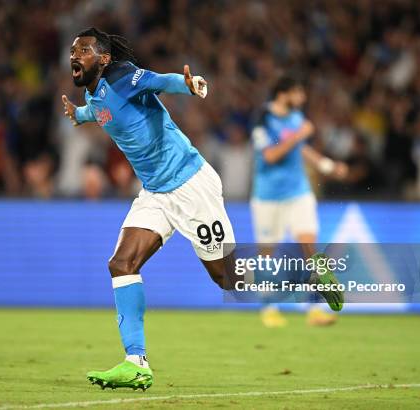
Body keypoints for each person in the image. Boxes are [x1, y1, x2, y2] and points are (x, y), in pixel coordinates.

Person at [61, 28, 236, 391]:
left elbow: (161, 81)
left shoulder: (123, 76)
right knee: (121, 264)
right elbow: (99, 111)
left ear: (104, 59)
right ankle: (136, 362)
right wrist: (79, 115)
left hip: (190, 185)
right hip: (155, 192)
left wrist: (190, 85)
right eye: (73, 50)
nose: (75, 56)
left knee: (228, 278)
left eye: (84, 50)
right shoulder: (93, 93)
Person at [250, 76, 348, 327]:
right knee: (267, 254)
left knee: (309, 246)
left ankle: (313, 308)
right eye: (299, 92)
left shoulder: (295, 119)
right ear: (284, 93)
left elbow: (301, 149)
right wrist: (298, 135)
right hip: (268, 197)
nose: (303, 98)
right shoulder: (263, 119)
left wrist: (327, 165)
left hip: (298, 192)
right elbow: (270, 155)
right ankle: (269, 307)